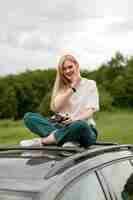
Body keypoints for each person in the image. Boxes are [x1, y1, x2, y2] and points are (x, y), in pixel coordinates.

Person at [20, 54, 99, 148]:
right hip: (61, 127)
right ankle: (68, 139)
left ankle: (43, 141)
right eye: (64, 69)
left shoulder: (90, 84)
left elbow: (89, 112)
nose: (68, 71)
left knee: (80, 125)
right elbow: (57, 107)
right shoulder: (61, 87)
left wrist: (73, 120)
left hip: (84, 129)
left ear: (76, 65)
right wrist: (73, 87)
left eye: (70, 67)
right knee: (29, 117)